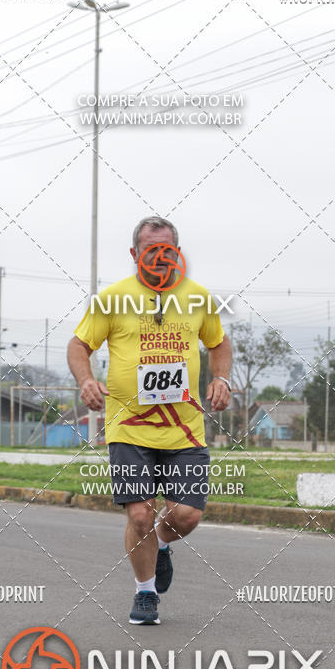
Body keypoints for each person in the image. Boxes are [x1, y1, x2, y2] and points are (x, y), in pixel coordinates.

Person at [68, 216, 231, 625]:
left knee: (187, 515)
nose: (159, 257)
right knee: (139, 513)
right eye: (150, 249)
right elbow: (78, 344)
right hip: (128, 426)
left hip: (184, 428)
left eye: (166, 249)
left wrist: (222, 378)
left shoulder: (196, 298)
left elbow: (219, 342)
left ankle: (159, 545)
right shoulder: (112, 299)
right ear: (135, 254)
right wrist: (86, 379)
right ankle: (145, 594)